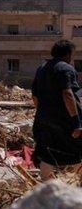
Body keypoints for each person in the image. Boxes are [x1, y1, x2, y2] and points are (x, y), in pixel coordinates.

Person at [31, 40, 82, 181]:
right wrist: (76, 122)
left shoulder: (42, 68)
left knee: (48, 150)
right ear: (68, 54)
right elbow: (67, 93)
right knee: (75, 150)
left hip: (44, 119)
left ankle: (47, 183)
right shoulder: (66, 68)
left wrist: (42, 114)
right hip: (64, 119)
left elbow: (34, 96)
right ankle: (77, 183)